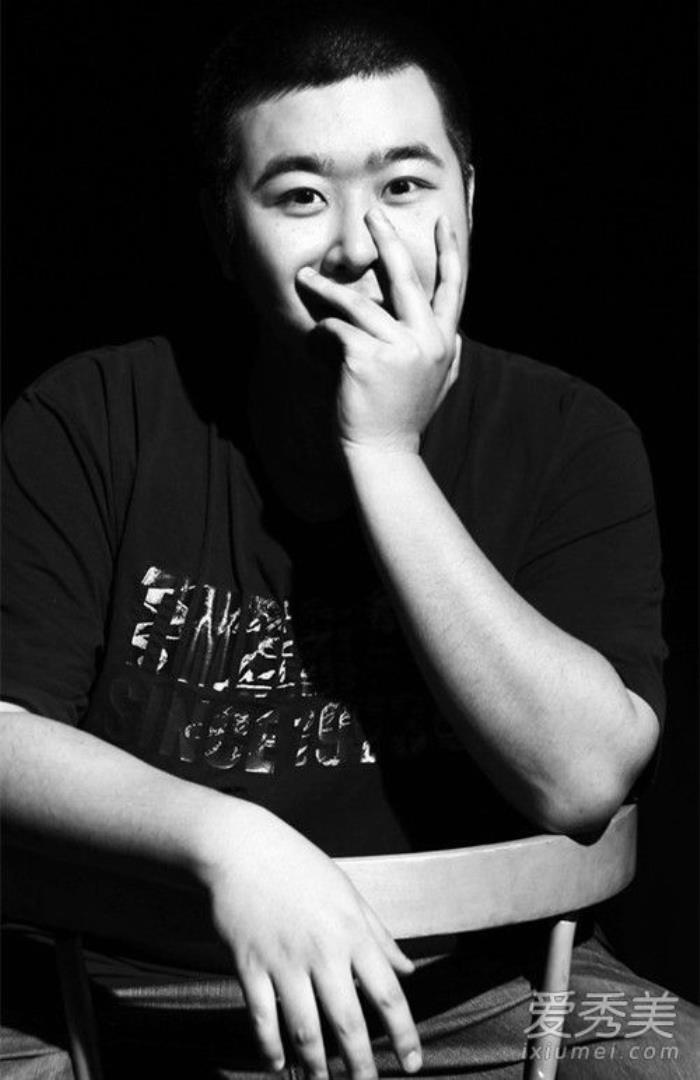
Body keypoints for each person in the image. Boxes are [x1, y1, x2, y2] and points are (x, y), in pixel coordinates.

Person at [1, 5, 698, 1078]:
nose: (359, 245)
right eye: (300, 196)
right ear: (223, 227)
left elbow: (580, 777)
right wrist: (231, 843)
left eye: (404, 185)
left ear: (468, 198)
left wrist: (383, 450)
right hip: (112, 984)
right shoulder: (92, 417)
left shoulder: (569, 434)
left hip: (481, 992)